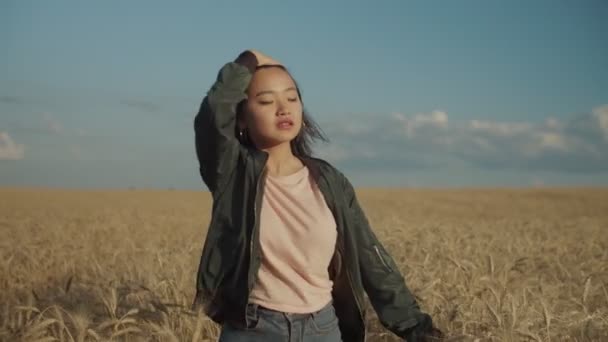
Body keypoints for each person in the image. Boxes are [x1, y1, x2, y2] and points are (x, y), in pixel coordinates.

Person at [192, 49, 443, 342]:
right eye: (266, 100)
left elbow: (370, 257)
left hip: (322, 329)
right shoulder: (233, 174)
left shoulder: (329, 181)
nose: (283, 108)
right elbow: (214, 112)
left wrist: (416, 327)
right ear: (242, 119)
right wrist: (247, 60)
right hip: (253, 329)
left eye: (292, 98)